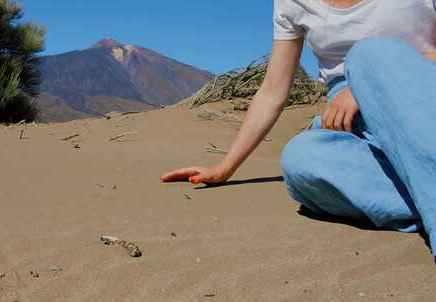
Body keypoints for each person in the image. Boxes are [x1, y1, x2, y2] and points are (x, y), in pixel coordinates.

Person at [161, 0, 436, 260]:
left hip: (419, 97)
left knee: (369, 53)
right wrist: (225, 168)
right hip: (353, 127)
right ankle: (426, 196)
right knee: (300, 159)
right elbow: (273, 91)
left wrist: (365, 85)